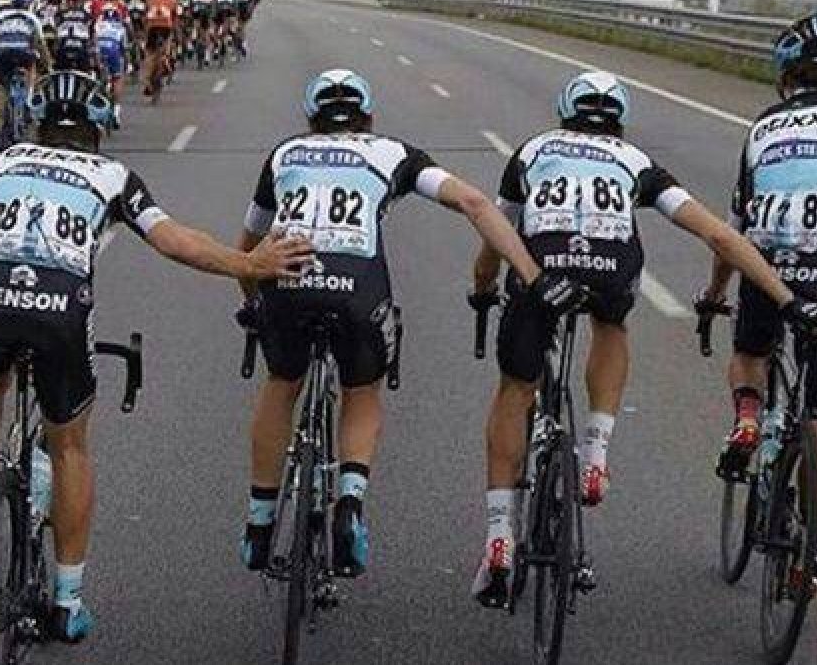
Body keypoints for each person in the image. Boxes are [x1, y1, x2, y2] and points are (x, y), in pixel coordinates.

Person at [0, 69, 315, 643]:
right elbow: (171, 239)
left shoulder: (6, 160)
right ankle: (67, 602)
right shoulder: (112, 174)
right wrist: (247, 265)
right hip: (56, 309)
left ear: (40, 125)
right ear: (98, 129)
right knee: (69, 444)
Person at [468, 71, 817, 608]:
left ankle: (500, 538)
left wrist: (482, 288)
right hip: (610, 267)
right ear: (618, 123)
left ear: (563, 113)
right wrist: (786, 298)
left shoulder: (532, 150)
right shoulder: (635, 161)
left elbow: (495, 234)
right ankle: (595, 452)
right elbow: (717, 233)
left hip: (541, 265)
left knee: (515, 388)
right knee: (611, 323)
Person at [235, 69, 583, 578]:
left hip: (287, 282)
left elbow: (247, 248)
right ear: (369, 118)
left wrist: (256, 308)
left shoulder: (285, 155)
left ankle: (260, 524)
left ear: (311, 122)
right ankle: (350, 501)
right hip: (358, 289)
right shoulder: (391, 153)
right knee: (362, 388)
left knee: (283, 382)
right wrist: (531, 276)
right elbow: (474, 203)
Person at [697, 10, 817, 577]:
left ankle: (747, 416)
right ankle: (810, 544)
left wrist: (715, 293)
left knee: (750, 355)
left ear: (787, 74)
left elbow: (731, 231)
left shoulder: (763, 125)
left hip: (764, 267)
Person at [0, 0, 52, 149]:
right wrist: (49, 65)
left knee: (1, 87)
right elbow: (40, 44)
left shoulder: (0, 16)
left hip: (3, 53)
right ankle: (29, 97)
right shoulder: (31, 18)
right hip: (24, 53)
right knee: (32, 67)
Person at [95, 7, 130, 126]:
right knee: (117, 78)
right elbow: (124, 50)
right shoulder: (121, 27)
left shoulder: (98, 25)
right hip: (113, 51)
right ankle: (116, 112)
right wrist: (127, 64)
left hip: (99, 50)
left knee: (95, 78)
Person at [142, 0, 177, 96]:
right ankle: (166, 59)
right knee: (167, 45)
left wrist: (145, 31)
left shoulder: (150, 0)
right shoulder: (172, 1)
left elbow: (145, 17)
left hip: (152, 28)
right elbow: (175, 17)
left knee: (150, 54)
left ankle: (147, 83)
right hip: (166, 28)